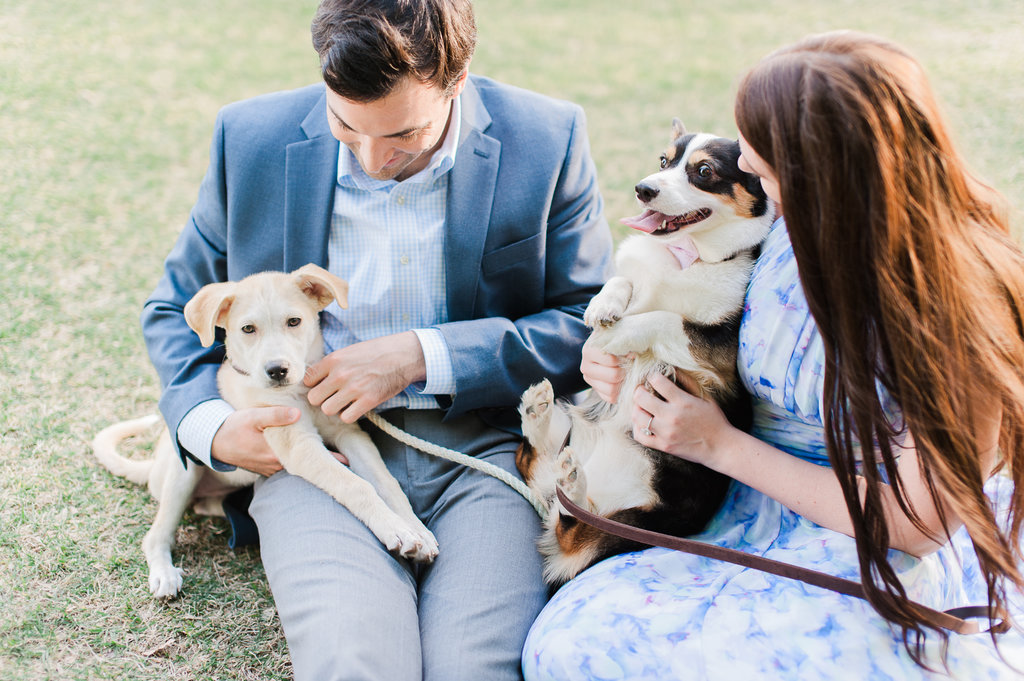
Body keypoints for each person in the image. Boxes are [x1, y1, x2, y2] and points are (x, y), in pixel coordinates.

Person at [523, 30, 1024, 680]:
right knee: (564, 640)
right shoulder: (787, 227)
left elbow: (916, 522)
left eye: (763, 167)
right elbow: (685, 303)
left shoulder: (953, 299)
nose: (749, 176)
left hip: (866, 537)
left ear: (828, 170)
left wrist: (720, 446)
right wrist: (621, 354)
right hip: (737, 500)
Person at [141, 0, 613, 678]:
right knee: (355, 659)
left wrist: (422, 354)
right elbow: (169, 308)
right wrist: (211, 426)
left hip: (482, 445)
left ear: (459, 78)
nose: (370, 157)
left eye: (402, 136)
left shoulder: (547, 138)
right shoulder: (249, 138)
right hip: (309, 452)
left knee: (474, 664)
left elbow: (586, 321)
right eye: (345, 126)